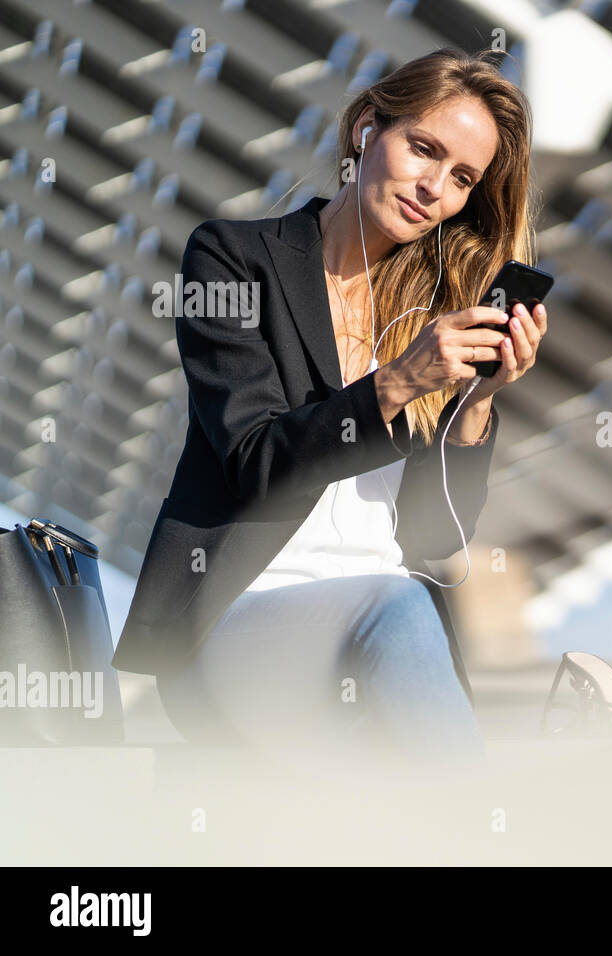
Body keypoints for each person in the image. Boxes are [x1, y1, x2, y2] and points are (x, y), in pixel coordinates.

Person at [112, 47, 547, 782]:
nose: (434, 187)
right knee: (399, 605)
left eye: (463, 178)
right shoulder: (234, 260)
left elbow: (433, 536)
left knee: (401, 610)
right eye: (424, 148)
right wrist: (399, 380)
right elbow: (253, 461)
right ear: (366, 131)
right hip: (240, 622)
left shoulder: (431, 310)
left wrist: (476, 403)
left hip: (384, 633)